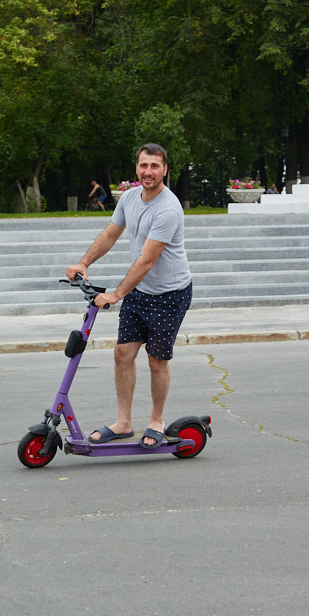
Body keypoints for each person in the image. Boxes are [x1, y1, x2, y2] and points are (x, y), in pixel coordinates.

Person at [65, 143, 193, 449]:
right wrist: (84, 262)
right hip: (140, 291)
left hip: (169, 294)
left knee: (156, 361)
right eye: (143, 165)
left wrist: (117, 294)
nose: (148, 172)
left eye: (155, 166)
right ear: (137, 167)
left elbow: (147, 260)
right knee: (122, 354)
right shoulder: (130, 198)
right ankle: (123, 422)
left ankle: (156, 421)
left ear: (165, 170)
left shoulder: (168, 208)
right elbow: (111, 233)